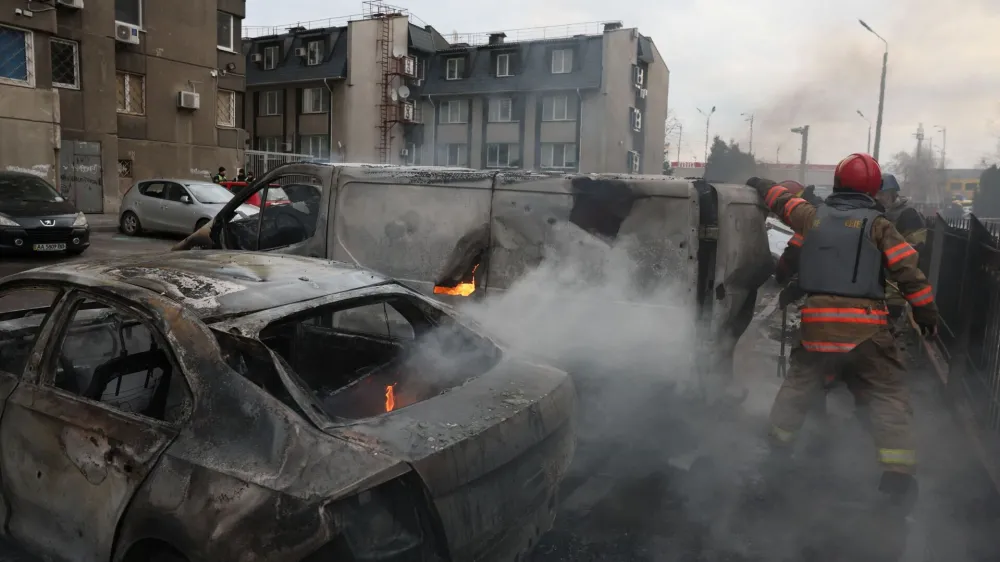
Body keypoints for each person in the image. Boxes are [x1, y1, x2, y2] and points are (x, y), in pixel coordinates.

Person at [746, 152, 939, 512]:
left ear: (836, 182)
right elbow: (908, 271)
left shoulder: (812, 216)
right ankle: (897, 477)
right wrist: (926, 312)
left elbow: (783, 201)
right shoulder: (879, 226)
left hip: (817, 327)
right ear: (874, 189)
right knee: (886, 393)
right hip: (865, 329)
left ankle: (775, 454)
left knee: (798, 387)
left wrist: (760, 184)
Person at [875, 173, 929, 325]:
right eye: (875, 193)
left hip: (895, 283)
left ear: (892, 193)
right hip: (876, 283)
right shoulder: (876, 213)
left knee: (891, 319)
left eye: (882, 193)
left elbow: (915, 247)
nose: (878, 197)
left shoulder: (908, 215)